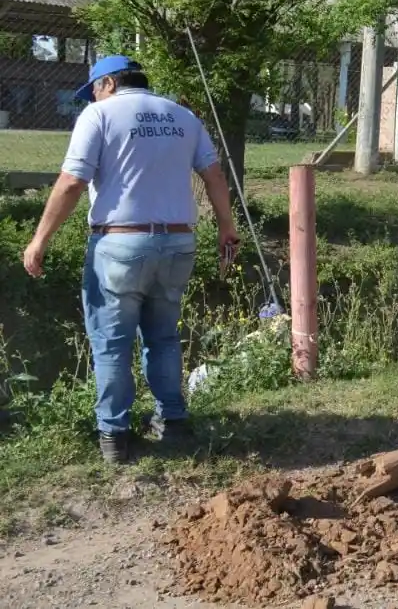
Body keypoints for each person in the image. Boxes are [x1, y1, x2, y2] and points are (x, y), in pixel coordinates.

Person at [22, 54, 241, 464]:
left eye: (92, 91)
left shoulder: (99, 115)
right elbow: (214, 174)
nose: (91, 98)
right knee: (163, 337)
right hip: (178, 244)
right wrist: (226, 227)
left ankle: (114, 437)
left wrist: (39, 240)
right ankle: (172, 422)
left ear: (108, 83)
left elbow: (72, 182)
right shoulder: (183, 117)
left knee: (111, 343)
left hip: (120, 245)